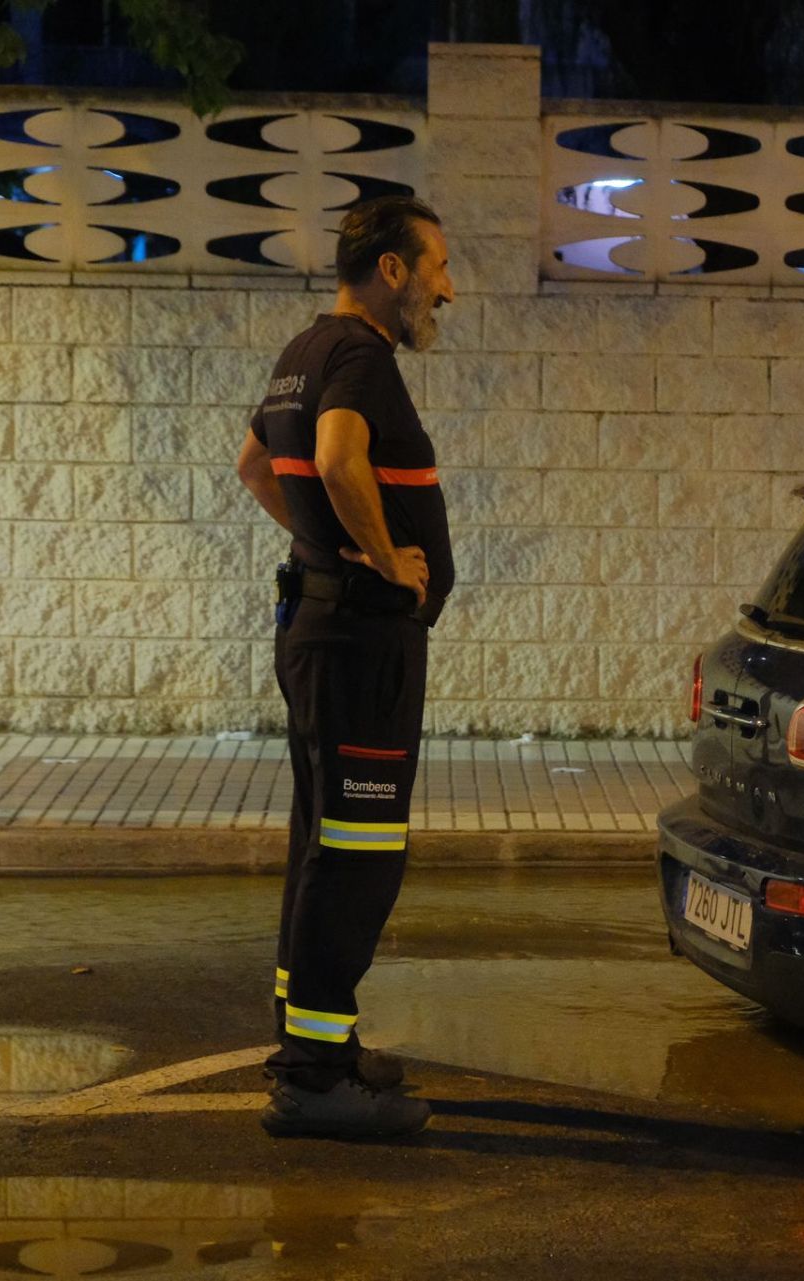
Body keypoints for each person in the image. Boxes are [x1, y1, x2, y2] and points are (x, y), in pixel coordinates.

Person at [234, 194, 456, 1139]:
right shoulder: (361, 354)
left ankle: (316, 1039)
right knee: (358, 853)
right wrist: (375, 555)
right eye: (438, 267)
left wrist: (327, 549)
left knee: (321, 844)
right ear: (393, 271)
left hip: (322, 629)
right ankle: (315, 1080)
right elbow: (333, 458)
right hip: (361, 644)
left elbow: (253, 465)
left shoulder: (301, 353)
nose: (449, 288)